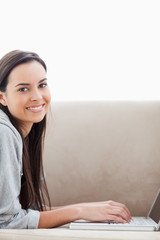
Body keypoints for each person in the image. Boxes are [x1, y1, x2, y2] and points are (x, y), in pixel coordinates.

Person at [0, 50, 131, 229]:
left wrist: (89, 211)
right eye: (23, 88)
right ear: (2, 97)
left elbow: (23, 211)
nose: (37, 96)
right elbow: (7, 222)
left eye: (42, 84)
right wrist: (79, 211)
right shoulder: (3, 132)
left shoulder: (24, 134)